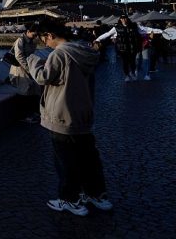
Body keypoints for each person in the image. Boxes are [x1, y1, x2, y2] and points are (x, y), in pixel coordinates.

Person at [28, 22, 111, 217]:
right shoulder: (84, 50)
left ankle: (70, 200)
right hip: (83, 114)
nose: (44, 43)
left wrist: (31, 60)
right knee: (90, 159)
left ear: (50, 34)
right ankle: (97, 195)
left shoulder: (60, 53)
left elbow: (43, 77)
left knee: (66, 161)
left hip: (62, 115)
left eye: (44, 38)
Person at [8, 24, 41, 122]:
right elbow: (19, 56)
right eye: (34, 34)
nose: (35, 36)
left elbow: (31, 55)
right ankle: (23, 116)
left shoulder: (32, 41)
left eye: (36, 35)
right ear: (28, 32)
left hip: (28, 68)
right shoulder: (20, 40)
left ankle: (31, 113)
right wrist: (28, 68)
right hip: (19, 69)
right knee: (24, 91)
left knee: (33, 89)